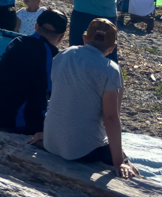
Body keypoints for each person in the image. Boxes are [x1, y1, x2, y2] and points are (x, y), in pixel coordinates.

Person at [43, 19, 139, 179]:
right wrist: (119, 161)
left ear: (85, 38)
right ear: (112, 47)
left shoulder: (64, 54)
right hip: (80, 151)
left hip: (50, 141)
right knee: (129, 168)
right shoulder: (110, 69)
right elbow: (111, 118)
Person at [0, 9, 68, 134]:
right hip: (16, 123)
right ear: (61, 37)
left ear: (36, 26)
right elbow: (54, 93)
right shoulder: (53, 56)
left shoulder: (16, 42)